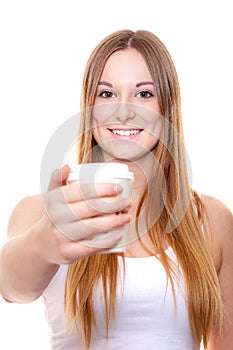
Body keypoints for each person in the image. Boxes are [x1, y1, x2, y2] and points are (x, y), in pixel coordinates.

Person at [0, 29, 232, 350]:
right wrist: (45, 244)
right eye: (107, 94)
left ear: (167, 107)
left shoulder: (210, 219)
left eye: (144, 93)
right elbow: (11, 287)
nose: (123, 111)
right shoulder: (41, 211)